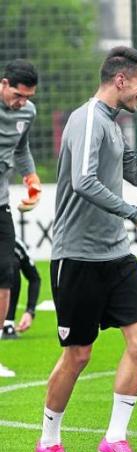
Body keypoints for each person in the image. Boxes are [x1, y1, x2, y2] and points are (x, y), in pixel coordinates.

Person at [35, 46, 137, 452]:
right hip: (77, 257)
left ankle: (114, 439)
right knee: (78, 355)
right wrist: (136, 213)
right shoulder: (89, 117)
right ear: (121, 80)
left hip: (116, 255)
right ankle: (49, 441)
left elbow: (135, 172)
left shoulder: (116, 124)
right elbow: (83, 180)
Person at [0, 59, 40, 377]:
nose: (22, 102)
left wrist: (31, 179)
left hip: (1, 204)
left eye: (27, 96)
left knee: (6, 270)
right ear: (3, 84)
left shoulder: (28, 112)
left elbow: (21, 149)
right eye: (17, 95)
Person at [1, 236, 41, 339]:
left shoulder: (15, 244)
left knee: (12, 264)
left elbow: (34, 278)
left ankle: (8, 323)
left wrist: (29, 311)